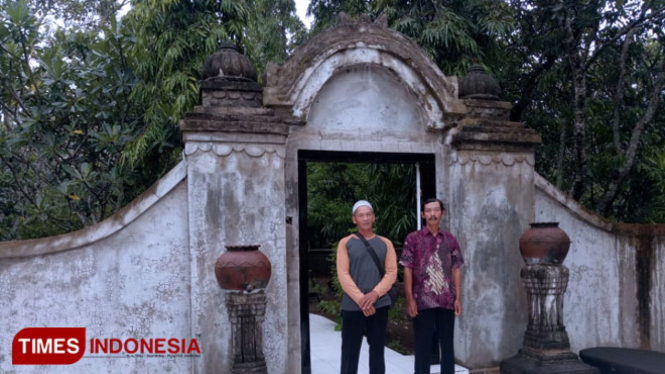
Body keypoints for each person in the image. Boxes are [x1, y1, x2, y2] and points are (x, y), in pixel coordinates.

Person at [400, 198, 464, 374]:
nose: (432, 214)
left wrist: (458, 298)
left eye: (436, 210)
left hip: (446, 300)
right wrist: (410, 299)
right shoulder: (413, 239)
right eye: (428, 211)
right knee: (422, 346)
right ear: (423, 214)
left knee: (448, 346)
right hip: (422, 301)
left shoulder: (450, 240)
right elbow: (407, 269)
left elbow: (456, 269)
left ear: (442, 213)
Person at [336, 200, 398, 374]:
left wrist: (375, 294)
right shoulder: (345, 243)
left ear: (374, 217)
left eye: (368, 214)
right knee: (349, 351)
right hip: (352, 306)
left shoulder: (385, 243)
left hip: (379, 305)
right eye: (360, 215)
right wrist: (362, 299)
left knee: (377, 350)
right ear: (354, 219)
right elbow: (343, 274)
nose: (365, 218)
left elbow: (392, 273)